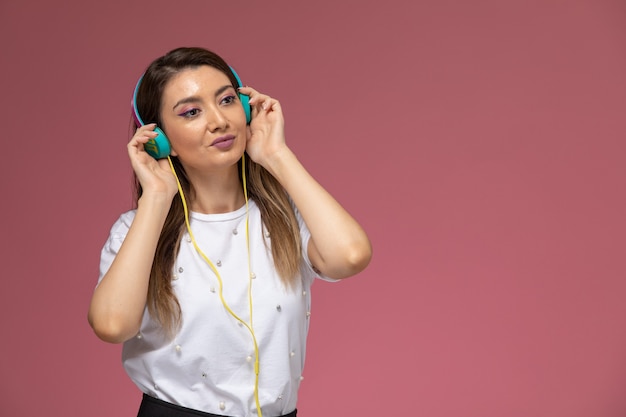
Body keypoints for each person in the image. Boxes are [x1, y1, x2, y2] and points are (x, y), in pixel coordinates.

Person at [88, 46, 372, 417]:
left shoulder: (283, 219)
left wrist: (276, 155)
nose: (219, 120)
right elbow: (112, 325)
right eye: (191, 112)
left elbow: (350, 256)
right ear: (159, 139)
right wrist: (156, 200)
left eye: (226, 100)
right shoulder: (137, 230)